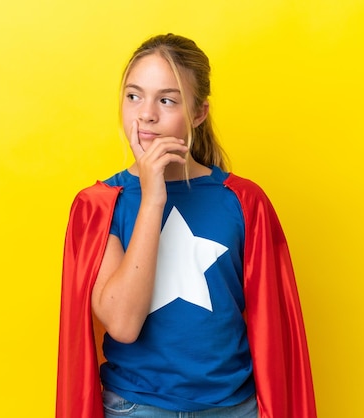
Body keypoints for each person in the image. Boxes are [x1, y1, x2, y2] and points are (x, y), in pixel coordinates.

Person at [56, 34, 316, 418]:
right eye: (133, 96)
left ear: (198, 113)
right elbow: (123, 325)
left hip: (233, 408)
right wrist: (152, 198)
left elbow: (275, 331)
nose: (146, 114)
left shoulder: (243, 201)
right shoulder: (99, 206)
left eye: (167, 100)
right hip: (136, 408)